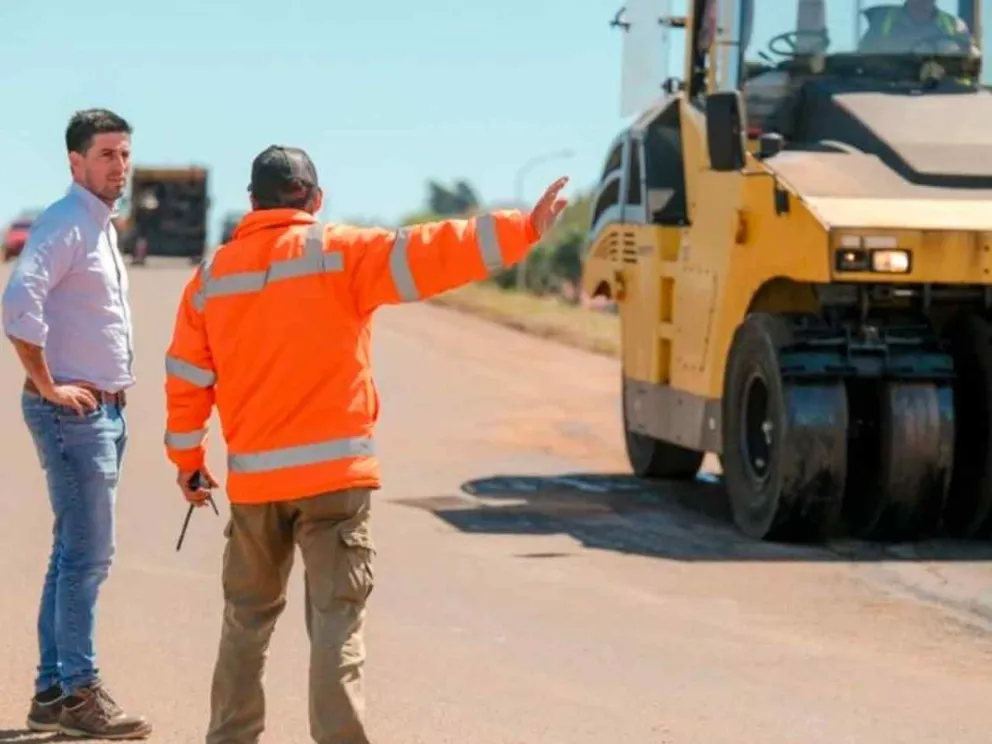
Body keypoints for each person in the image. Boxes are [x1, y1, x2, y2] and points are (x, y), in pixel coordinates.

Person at [163, 144, 567, 743]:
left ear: (251, 202)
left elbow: (187, 379)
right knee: (336, 625)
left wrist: (188, 461)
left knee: (245, 623)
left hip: (255, 487)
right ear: (316, 199)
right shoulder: (342, 253)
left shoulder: (211, 279)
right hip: (335, 481)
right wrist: (523, 228)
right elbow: (432, 250)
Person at [1, 108, 152, 739]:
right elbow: (17, 304)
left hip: (103, 411)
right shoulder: (66, 223)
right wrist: (47, 385)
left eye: (125, 154)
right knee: (88, 557)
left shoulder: (100, 227)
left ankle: (51, 694)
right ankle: (80, 695)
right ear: (76, 161)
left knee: (73, 554)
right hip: (74, 415)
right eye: (106, 155)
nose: (120, 166)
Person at [859, 0, 972, 54]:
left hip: (945, 92)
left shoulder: (955, 26)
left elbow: (969, 69)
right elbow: (864, 64)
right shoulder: (881, 22)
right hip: (889, 91)